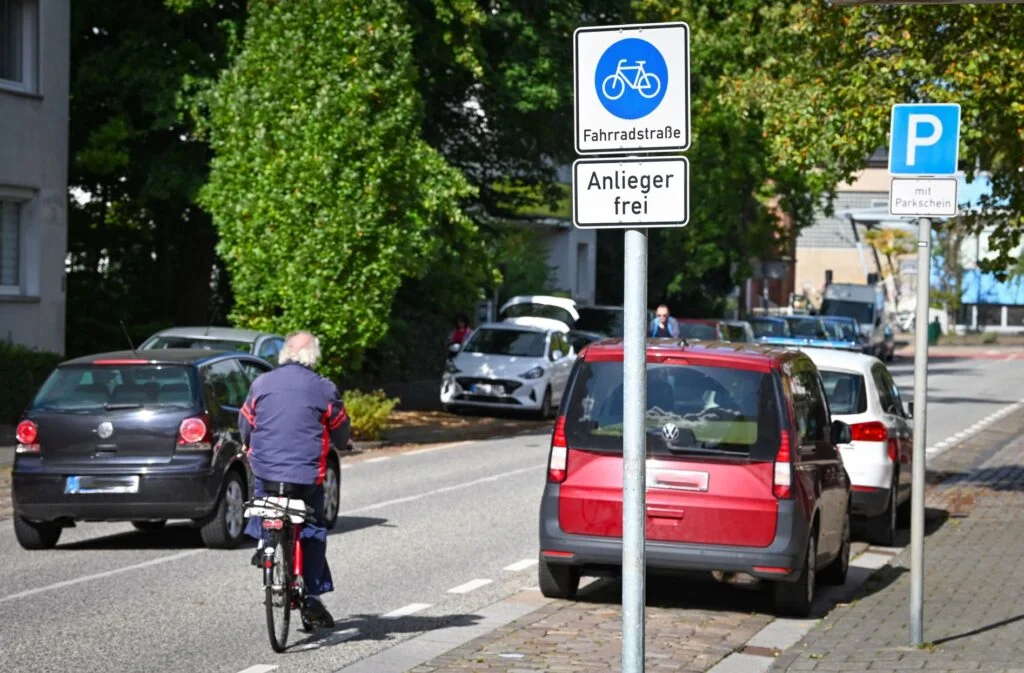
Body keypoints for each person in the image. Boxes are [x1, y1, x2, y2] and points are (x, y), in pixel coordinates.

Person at [239, 330, 350, 629]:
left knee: (263, 503)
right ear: (313, 355)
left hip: (267, 470)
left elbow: (245, 423)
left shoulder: (261, 383)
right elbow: (340, 428)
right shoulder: (324, 389)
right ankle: (312, 596)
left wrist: (248, 443)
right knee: (313, 527)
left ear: (285, 353)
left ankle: (265, 542)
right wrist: (344, 442)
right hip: (304, 475)